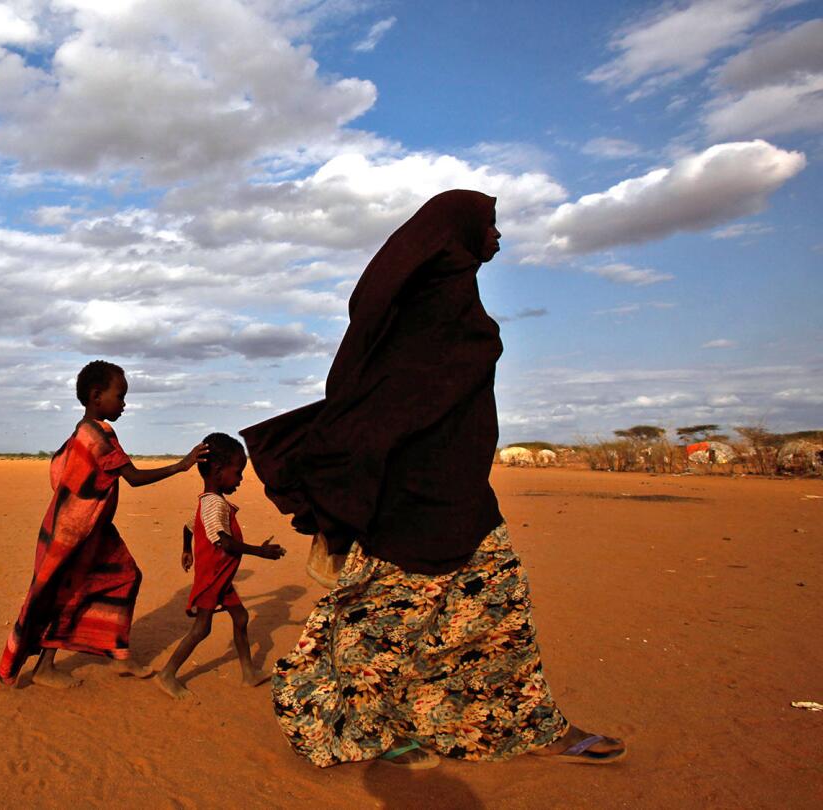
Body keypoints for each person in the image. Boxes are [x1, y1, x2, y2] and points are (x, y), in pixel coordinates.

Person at [241, 190, 626, 769]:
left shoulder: (451, 299)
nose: (498, 237)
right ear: (457, 233)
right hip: (409, 503)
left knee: (499, 608)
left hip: (461, 497)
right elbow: (388, 403)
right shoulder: (428, 310)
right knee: (378, 621)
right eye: (490, 226)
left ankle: (526, 724)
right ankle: (344, 725)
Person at [0, 360, 208, 688]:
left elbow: (59, 469)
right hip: (75, 533)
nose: (124, 404)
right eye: (120, 396)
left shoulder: (81, 432)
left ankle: (118, 653)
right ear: (97, 396)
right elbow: (134, 478)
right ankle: (45, 667)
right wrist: (181, 466)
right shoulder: (99, 433)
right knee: (62, 594)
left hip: (89, 529)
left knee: (124, 576)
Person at [155, 433, 285, 700]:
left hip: (221, 577)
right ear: (217, 471)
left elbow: (188, 526)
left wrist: (185, 549)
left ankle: (248, 672)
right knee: (202, 628)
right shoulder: (213, 504)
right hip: (212, 578)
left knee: (241, 618)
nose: (239, 479)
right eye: (237, 473)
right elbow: (224, 542)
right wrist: (260, 551)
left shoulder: (208, 501)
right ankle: (167, 674)